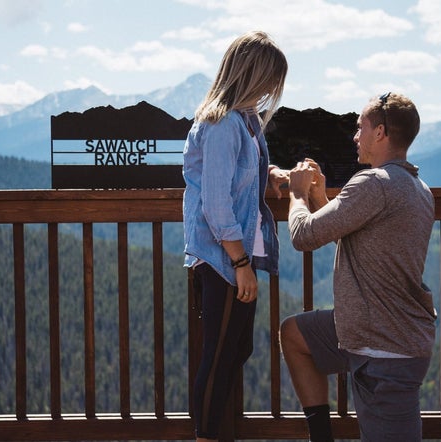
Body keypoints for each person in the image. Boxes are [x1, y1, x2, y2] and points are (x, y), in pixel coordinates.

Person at [279, 92, 437, 441]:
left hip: (384, 349)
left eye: (360, 127)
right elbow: (360, 242)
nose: (355, 136)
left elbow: (303, 235)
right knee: (294, 335)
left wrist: (297, 193)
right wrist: (321, 198)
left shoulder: (374, 183)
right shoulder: (417, 188)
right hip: (371, 330)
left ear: (380, 133)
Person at [182, 31, 288, 441]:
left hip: (232, 257)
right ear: (252, 75)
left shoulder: (243, 123)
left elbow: (240, 176)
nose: (270, 92)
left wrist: (274, 175)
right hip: (223, 259)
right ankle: (206, 436)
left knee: (234, 350)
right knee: (220, 357)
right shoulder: (224, 124)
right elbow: (216, 203)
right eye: (268, 81)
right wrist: (241, 264)